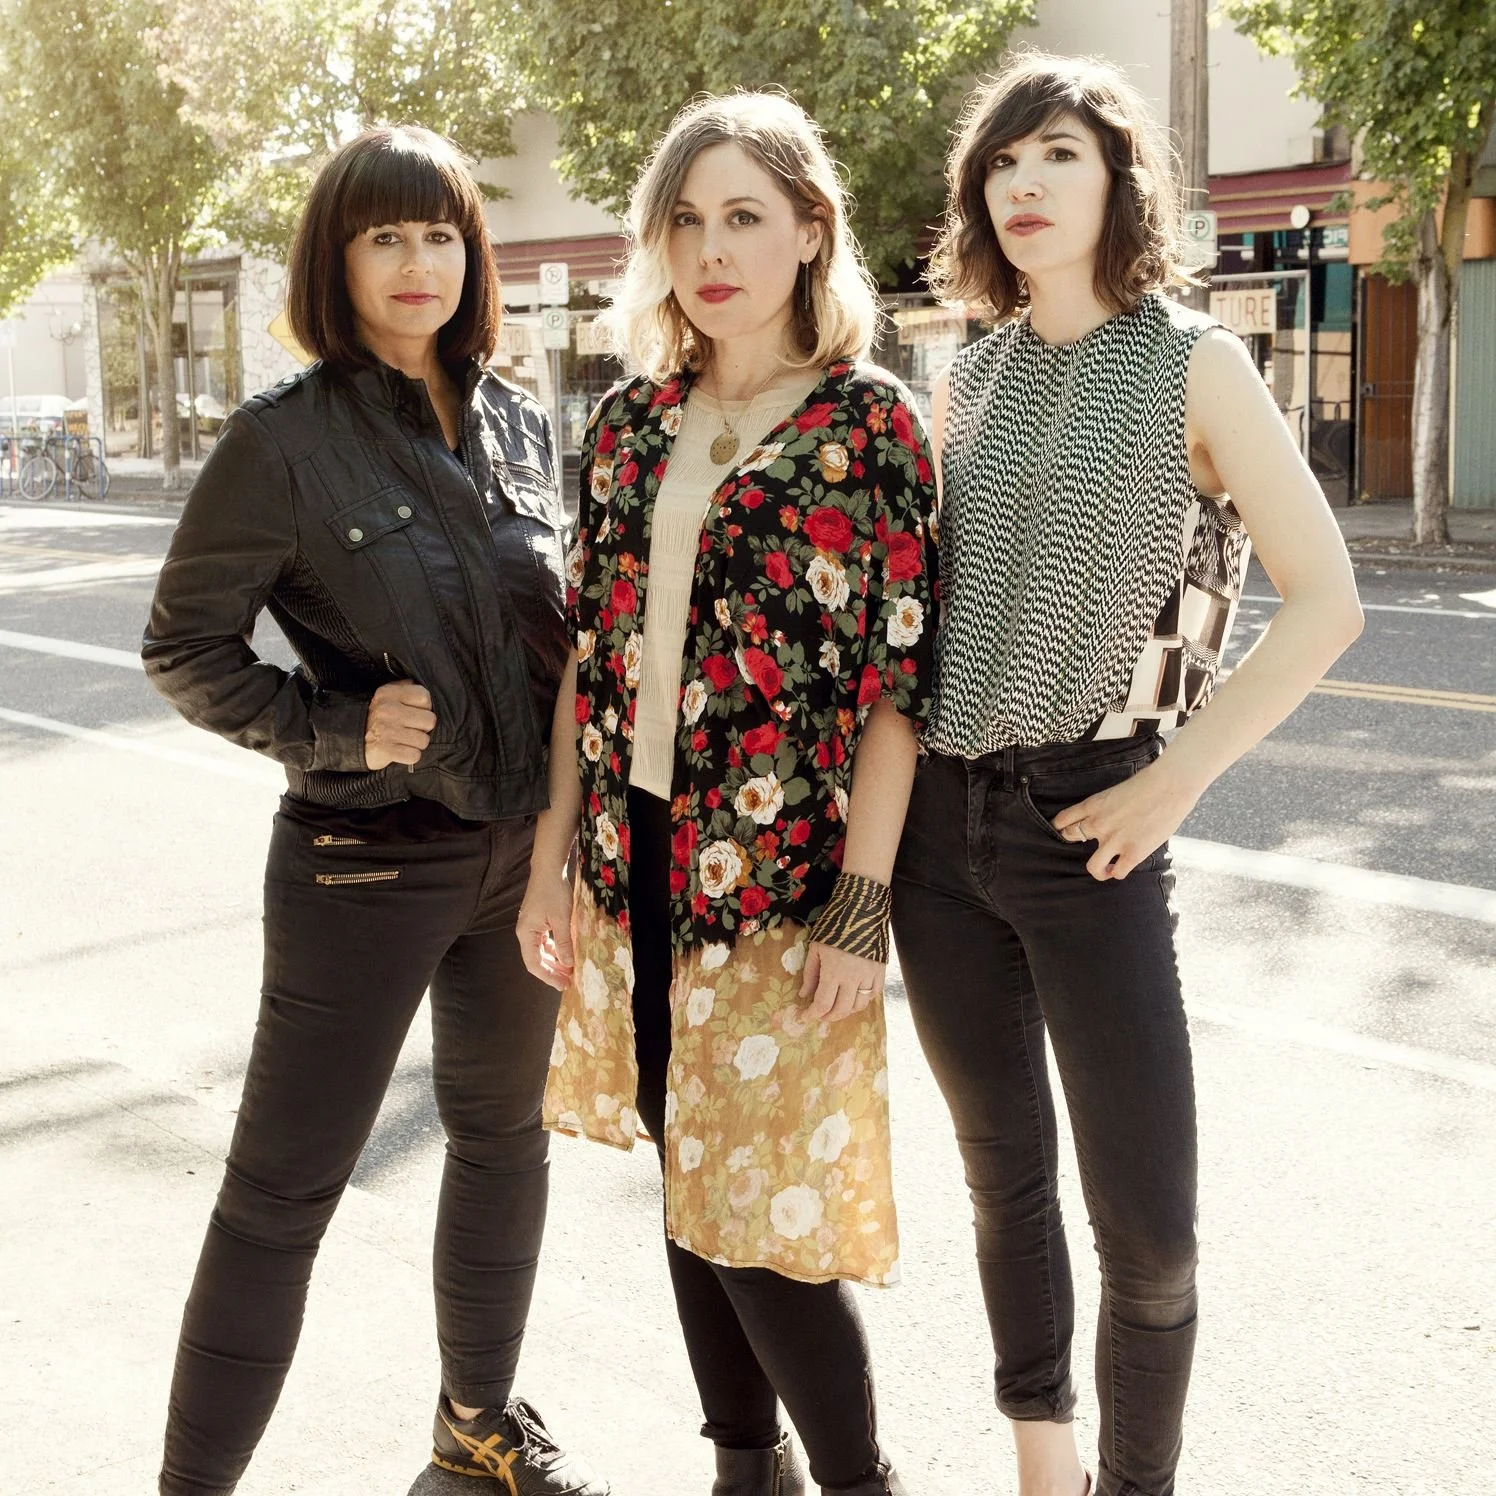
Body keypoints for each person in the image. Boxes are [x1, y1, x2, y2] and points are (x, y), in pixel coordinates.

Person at [891, 52, 1364, 1496]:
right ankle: (1047, 1468)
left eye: (1059, 158)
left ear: (1117, 181)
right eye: (1003, 165)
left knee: (1149, 1230)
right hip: (937, 830)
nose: (1024, 186)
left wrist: (1178, 781)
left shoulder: (1193, 362)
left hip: (1090, 820)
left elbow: (1327, 600)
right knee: (1001, 1183)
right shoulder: (963, 372)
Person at [142, 125, 608, 1496]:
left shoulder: (520, 415)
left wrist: (566, 845)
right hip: (363, 866)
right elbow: (185, 646)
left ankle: (476, 1434)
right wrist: (332, 729)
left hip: (519, 859)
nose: (420, 263)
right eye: (386, 236)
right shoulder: (281, 443)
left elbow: (563, 637)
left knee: (502, 1140)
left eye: (443, 233)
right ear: (334, 259)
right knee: (284, 1195)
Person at [515, 92, 939, 1496]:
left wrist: (862, 901)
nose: (712, 246)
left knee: (756, 1211)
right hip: (637, 854)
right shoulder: (634, 421)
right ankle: (740, 1468)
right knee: (688, 1177)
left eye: (745, 214)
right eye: (686, 219)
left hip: (783, 874)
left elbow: (896, 687)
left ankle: (858, 1482)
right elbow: (592, 649)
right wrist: (550, 862)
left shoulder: (868, 427)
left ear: (812, 230)